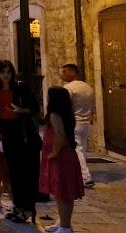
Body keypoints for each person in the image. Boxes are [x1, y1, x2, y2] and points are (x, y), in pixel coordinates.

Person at [0, 60, 41, 224]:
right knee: (13, 172)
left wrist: (21, 111)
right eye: (2, 72)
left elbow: (35, 108)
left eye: (8, 72)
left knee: (25, 172)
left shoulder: (21, 87)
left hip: (23, 134)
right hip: (8, 134)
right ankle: (18, 205)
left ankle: (28, 208)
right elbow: (0, 113)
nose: (5, 75)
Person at [39, 87, 84, 233]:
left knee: (62, 193)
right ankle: (63, 222)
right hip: (67, 156)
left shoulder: (54, 115)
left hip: (61, 158)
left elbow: (59, 134)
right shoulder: (66, 115)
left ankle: (65, 227)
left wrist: (54, 152)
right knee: (63, 193)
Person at [61, 63, 94, 188]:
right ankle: (80, 175)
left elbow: (65, 106)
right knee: (82, 149)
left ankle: (85, 177)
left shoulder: (69, 88)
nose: (62, 75)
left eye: (65, 72)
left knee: (77, 149)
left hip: (75, 122)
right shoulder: (88, 87)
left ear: (73, 72)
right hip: (86, 122)